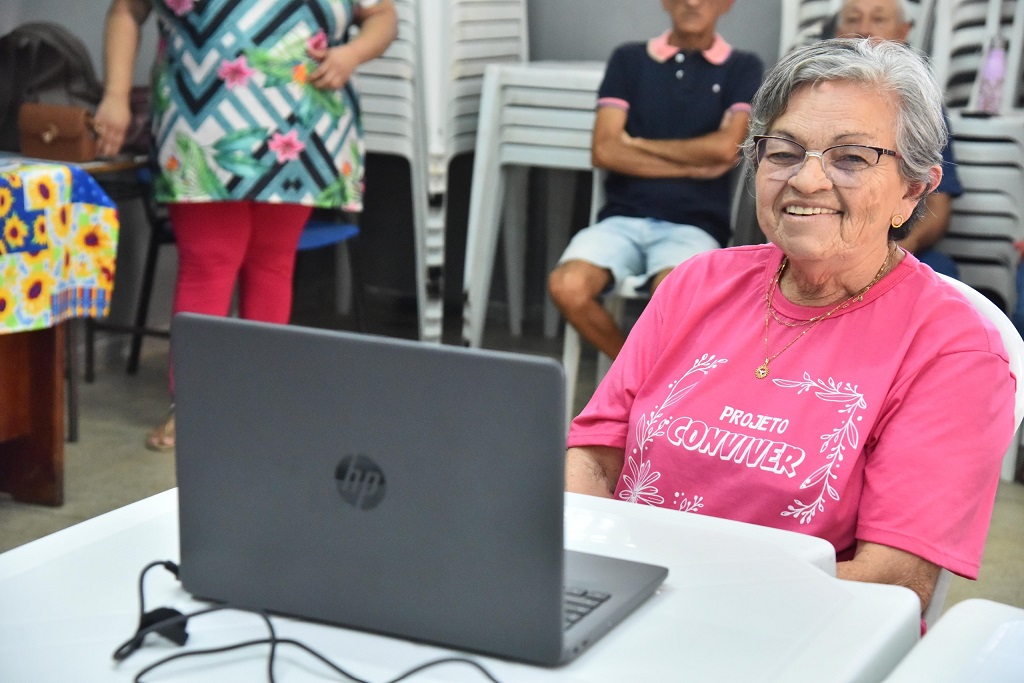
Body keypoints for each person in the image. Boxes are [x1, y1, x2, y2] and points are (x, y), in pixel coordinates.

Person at [565, 38, 1016, 614]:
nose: (806, 180)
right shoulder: (696, 283)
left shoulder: (954, 351)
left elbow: (891, 579)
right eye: (783, 151)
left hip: (794, 631)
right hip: (622, 602)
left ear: (913, 189)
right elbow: (594, 454)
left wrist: (690, 605)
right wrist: (582, 569)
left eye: (851, 157)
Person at [94, 0, 397, 452]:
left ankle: (262, 401)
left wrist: (351, 55)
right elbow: (125, 10)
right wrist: (115, 94)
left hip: (299, 126)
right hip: (200, 123)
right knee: (209, 261)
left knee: (272, 262)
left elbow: (382, 16)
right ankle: (195, 407)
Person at [548, 0, 763, 361]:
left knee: (676, 296)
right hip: (619, 221)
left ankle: (635, 379)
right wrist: (695, 164)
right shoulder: (629, 59)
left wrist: (638, 145)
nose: (693, 2)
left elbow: (726, 149)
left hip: (694, 226)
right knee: (567, 286)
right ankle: (633, 372)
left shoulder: (742, 66)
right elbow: (604, 150)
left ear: (727, 3)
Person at [829, 0, 964, 278]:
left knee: (940, 275)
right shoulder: (810, 102)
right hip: (824, 237)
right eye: (853, 19)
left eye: (878, 20)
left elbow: (938, 207)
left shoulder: (923, 109)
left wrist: (901, 247)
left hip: (899, 242)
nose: (864, 30)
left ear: (902, 33)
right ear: (837, 32)